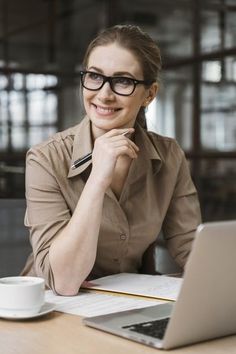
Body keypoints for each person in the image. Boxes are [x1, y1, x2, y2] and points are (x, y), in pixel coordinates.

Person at [21, 24, 201, 295]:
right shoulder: (46, 159)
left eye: (123, 81)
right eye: (94, 76)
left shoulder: (168, 156)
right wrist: (98, 178)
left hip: (130, 302)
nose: (104, 93)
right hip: (52, 307)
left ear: (149, 94)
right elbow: (63, 281)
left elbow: (190, 246)